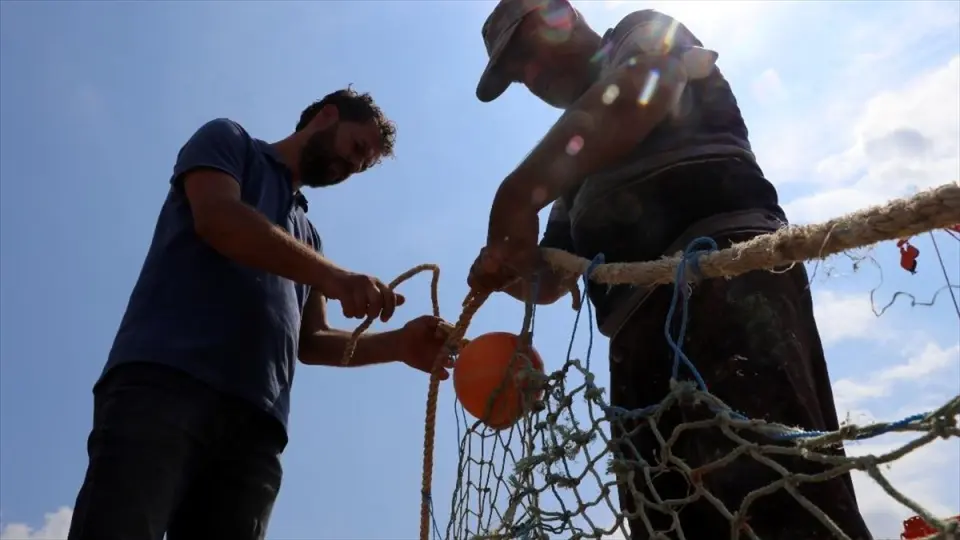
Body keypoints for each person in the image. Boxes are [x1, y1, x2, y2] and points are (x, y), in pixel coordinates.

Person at [468, 1, 874, 539]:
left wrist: (519, 192)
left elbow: (643, 89)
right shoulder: (575, 172)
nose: (530, 75)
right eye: (517, 73)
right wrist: (508, 273)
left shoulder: (641, 32)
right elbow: (551, 277)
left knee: (779, 501)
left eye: (526, 51)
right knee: (671, 522)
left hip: (727, 287)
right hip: (636, 345)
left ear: (562, 13)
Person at [68, 87, 455, 540]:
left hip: (256, 429)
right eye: (356, 147)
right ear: (326, 116)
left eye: (363, 166)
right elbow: (218, 217)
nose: (353, 166)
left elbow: (311, 341)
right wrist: (334, 277)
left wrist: (398, 345)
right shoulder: (229, 141)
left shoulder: (309, 237)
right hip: (165, 384)